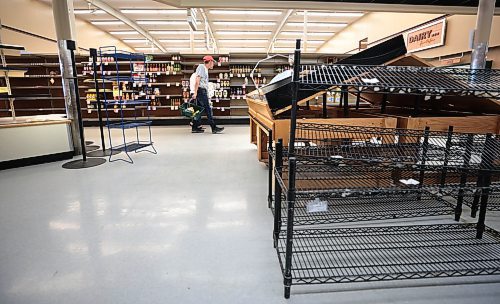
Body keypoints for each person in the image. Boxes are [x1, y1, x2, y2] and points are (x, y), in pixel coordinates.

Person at [192, 55, 224, 134]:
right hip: (201, 91)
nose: (213, 64)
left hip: (202, 91)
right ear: (210, 61)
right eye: (213, 62)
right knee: (208, 110)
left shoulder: (205, 69)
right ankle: (213, 127)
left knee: (198, 111)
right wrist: (195, 92)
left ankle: (195, 127)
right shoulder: (201, 67)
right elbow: (197, 80)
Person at [188, 64, 205, 132]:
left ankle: (197, 125)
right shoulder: (196, 76)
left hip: (194, 93)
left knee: (197, 111)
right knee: (196, 112)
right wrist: (195, 93)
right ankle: (195, 128)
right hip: (196, 94)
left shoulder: (193, 75)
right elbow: (196, 85)